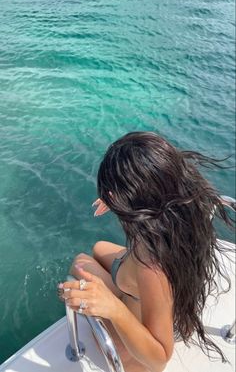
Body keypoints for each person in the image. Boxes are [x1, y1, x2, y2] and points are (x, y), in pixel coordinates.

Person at [58, 131, 233, 372]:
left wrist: (113, 308)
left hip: (139, 347)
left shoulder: (151, 265)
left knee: (79, 263)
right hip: (150, 295)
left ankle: (121, 297)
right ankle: (123, 292)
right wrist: (122, 198)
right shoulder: (185, 208)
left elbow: (160, 358)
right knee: (99, 248)